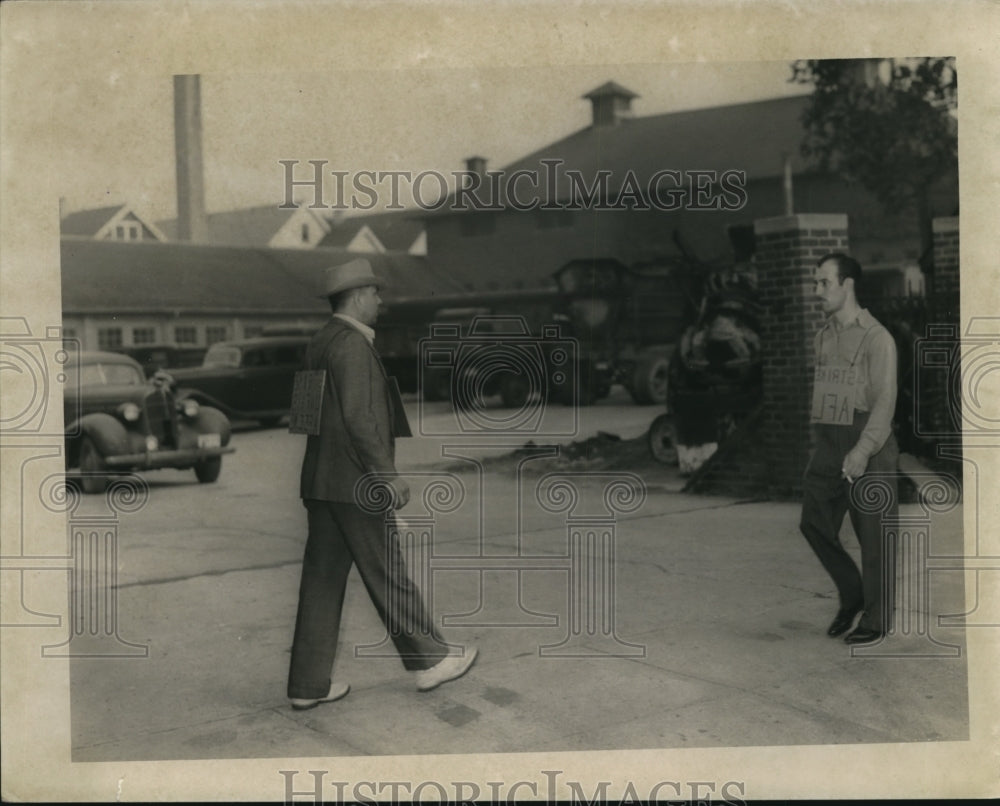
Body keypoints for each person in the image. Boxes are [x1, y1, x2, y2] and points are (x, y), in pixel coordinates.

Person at [287, 258, 477, 710]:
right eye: (376, 293)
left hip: (321, 483)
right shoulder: (353, 346)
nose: (381, 300)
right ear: (356, 296)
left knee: (321, 583)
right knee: (387, 572)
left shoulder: (318, 342)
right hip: (356, 484)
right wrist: (385, 476)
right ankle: (430, 662)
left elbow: (304, 416)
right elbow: (360, 417)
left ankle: (306, 685)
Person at [800, 253, 899, 646]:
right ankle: (853, 593)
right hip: (831, 436)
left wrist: (861, 450)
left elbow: (885, 403)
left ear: (848, 285)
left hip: (870, 438)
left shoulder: (878, 338)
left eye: (824, 282)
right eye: (816, 283)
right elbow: (826, 392)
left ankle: (876, 618)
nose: (816, 291)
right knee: (813, 521)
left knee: (872, 535)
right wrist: (823, 443)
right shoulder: (823, 335)